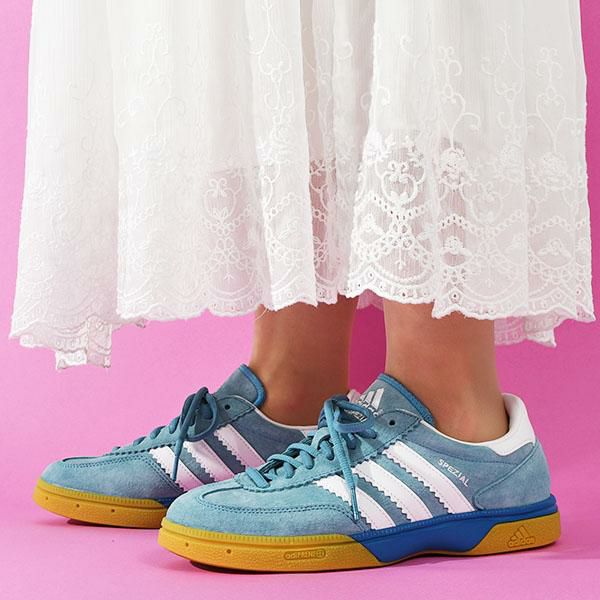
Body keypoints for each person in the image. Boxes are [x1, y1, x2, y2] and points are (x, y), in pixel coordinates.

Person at [14, 1, 592, 571]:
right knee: (296, 37)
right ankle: (288, 399)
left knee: (423, 34)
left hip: (463, 453)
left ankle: (452, 421)